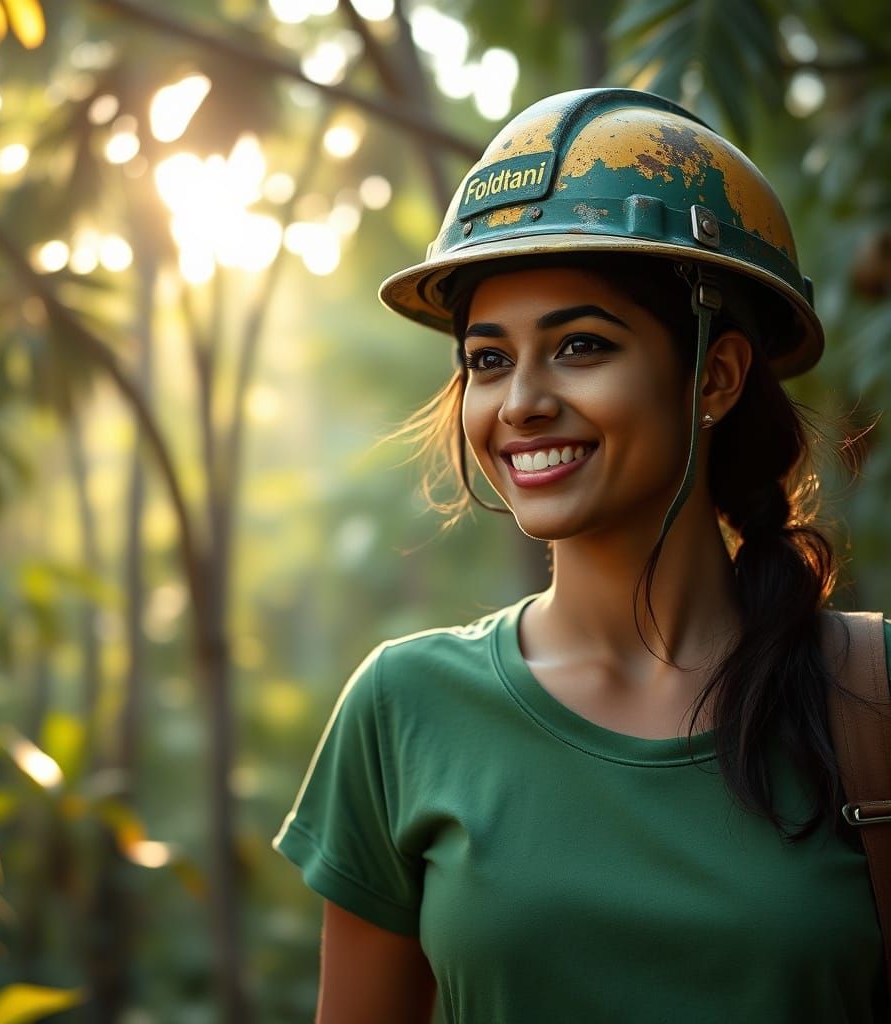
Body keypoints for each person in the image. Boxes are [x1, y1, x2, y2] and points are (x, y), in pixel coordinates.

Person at [273, 88, 888, 1022]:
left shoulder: (872, 697)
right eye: (487, 359)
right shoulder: (405, 709)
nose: (520, 401)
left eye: (581, 346)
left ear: (714, 375)